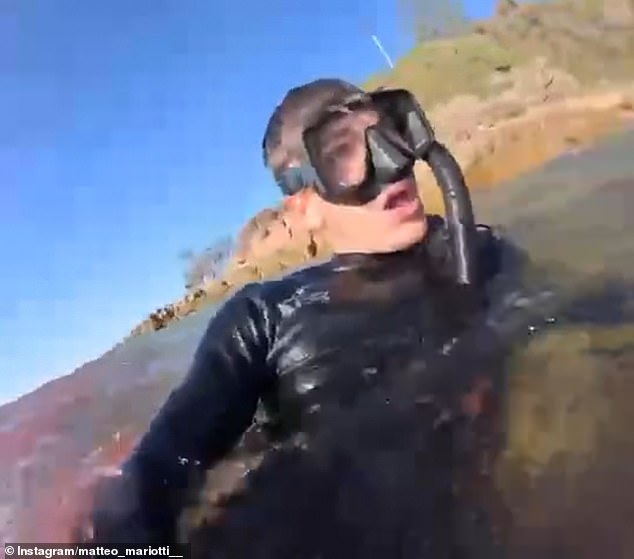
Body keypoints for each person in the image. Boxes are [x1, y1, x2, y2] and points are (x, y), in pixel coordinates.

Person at [80, 78, 508, 557]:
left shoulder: (478, 249)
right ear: (304, 207)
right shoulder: (265, 315)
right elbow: (154, 474)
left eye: (389, 131)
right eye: (344, 151)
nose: (392, 163)